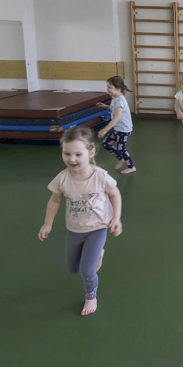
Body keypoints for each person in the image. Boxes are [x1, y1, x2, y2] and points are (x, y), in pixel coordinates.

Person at [38, 127, 122, 316]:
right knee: (73, 267)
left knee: (86, 270)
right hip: (74, 229)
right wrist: (48, 223)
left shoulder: (100, 176)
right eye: (67, 153)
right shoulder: (63, 178)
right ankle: (98, 255)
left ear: (91, 153)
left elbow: (115, 194)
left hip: (98, 227)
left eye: (78, 154)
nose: (72, 159)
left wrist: (116, 218)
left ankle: (91, 295)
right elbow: (55, 200)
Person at [96, 76, 136, 174]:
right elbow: (114, 108)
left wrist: (105, 130)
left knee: (121, 148)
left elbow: (117, 117)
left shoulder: (120, 100)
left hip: (124, 130)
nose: (107, 89)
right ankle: (121, 158)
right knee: (106, 144)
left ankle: (131, 167)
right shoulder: (115, 98)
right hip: (117, 128)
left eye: (110, 87)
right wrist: (106, 106)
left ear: (118, 88)